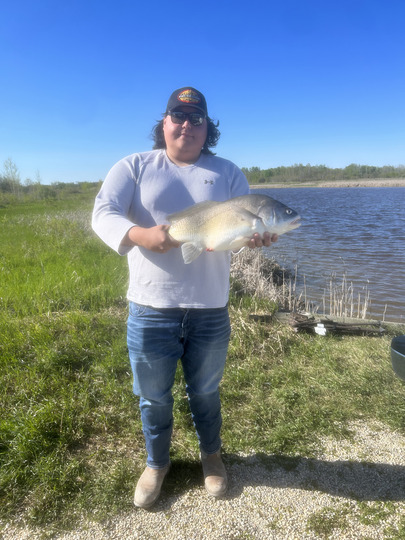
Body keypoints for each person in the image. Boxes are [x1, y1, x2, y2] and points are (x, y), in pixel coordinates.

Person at [92, 87, 277, 509]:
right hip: (150, 306)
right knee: (153, 396)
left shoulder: (228, 172)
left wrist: (253, 240)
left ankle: (210, 455)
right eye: (179, 116)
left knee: (206, 391)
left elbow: (234, 236)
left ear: (208, 128)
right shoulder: (135, 166)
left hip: (210, 307)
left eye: (197, 119)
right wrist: (139, 234)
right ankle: (156, 463)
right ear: (164, 122)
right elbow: (103, 212)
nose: (187, 125)